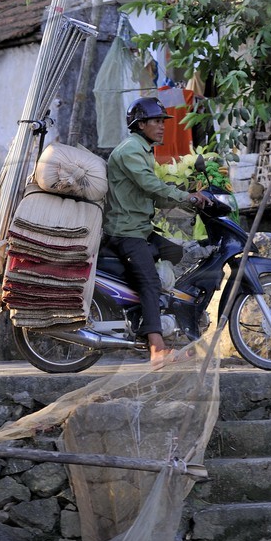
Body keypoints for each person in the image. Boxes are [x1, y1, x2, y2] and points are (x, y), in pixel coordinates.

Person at [104, 97, 208, 364]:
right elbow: (151, 186)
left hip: (140, 228)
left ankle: (170, 323)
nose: (163, 127)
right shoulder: (130, 150)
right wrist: (186, 198)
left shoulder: (143, 149)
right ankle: (157, 348)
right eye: (157, 122)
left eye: (163, 122)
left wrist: (190, 197)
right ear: (140, 124)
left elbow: (155, 196)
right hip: (127, 232)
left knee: (176, 253)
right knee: (150, 282)